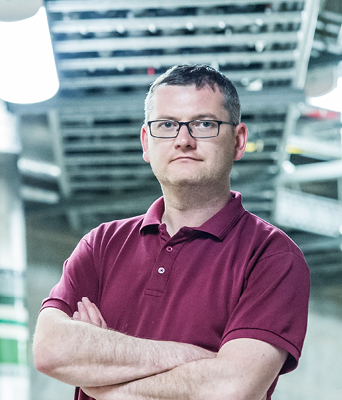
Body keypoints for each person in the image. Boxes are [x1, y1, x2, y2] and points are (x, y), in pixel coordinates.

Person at [33, 64, 310, 400]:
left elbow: (231, 389)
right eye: (166, 125)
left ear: (238, 141)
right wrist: (192, 359)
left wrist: (101, 378)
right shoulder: (102, 244)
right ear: (146, 143)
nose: (183, 140)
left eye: (204, 124)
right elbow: (49, 350)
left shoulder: (272, 256)